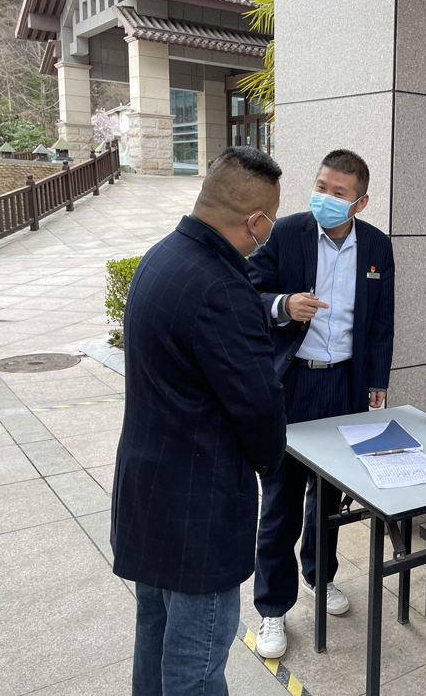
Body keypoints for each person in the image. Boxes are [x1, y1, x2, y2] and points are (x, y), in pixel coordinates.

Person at [110, 147, 288, 696]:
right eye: (271, 220)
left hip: (147, 493)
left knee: (154, 636)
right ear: (255, 221)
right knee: (196, 666)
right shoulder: (224, 289)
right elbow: (259, 406)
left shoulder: (161, 257)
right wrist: (270, 464)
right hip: (197, 512)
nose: (270, 231)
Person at [248, 149, 395, 658]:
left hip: (345, 386)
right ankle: (272, 607)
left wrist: (377, 381)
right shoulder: (287, 233)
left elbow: (380, 321)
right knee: (281, 500)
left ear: (360, 202)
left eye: (338, 193)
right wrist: (282, 306)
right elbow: (244, 291)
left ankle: (320, 575)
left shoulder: (376, 245)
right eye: (320, 187)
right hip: (292, 384)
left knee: (329, 498)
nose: (325, 199)